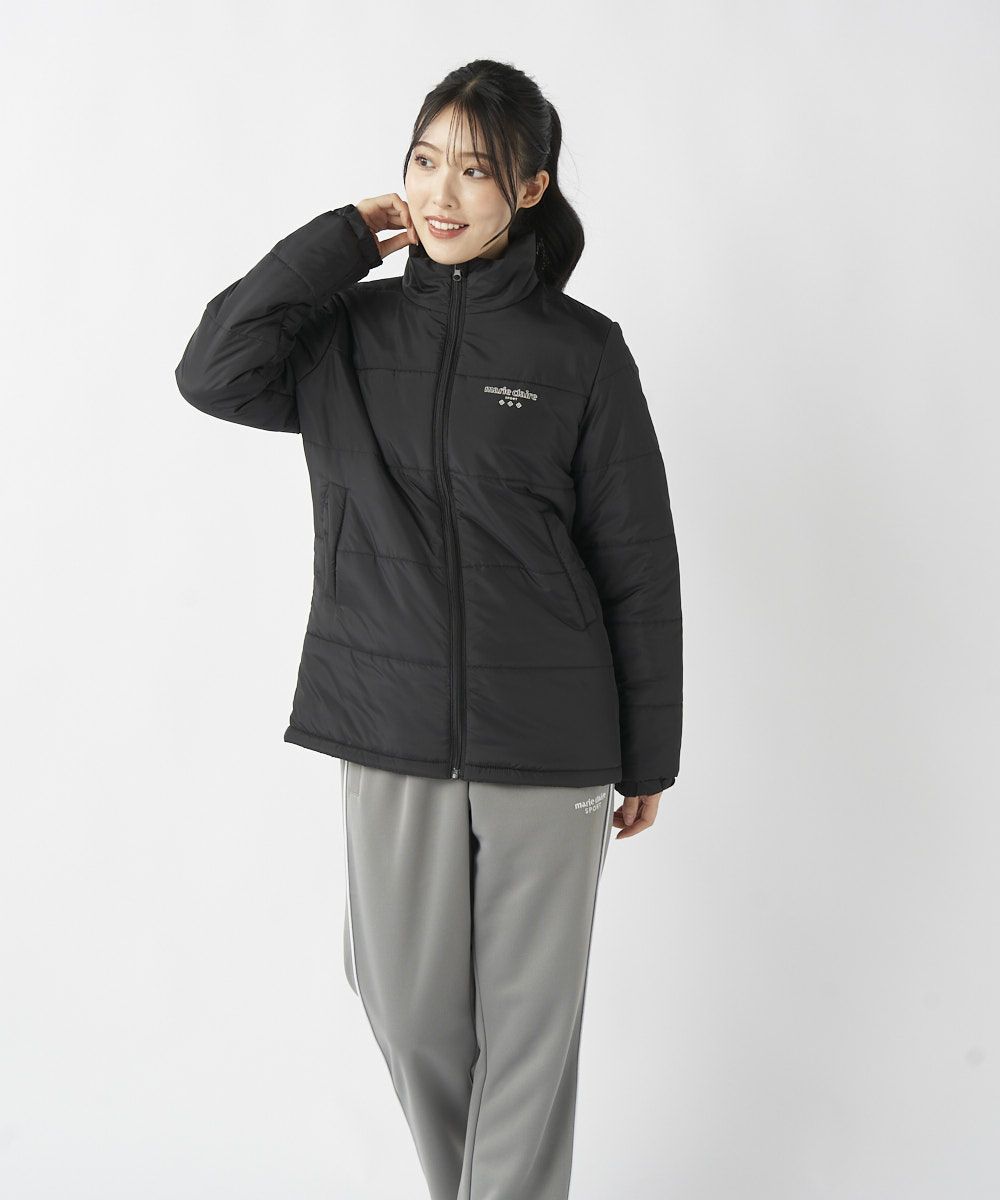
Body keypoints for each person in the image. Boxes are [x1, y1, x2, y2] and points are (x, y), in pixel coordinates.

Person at [175, 57, 682, 1200]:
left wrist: (648, 754)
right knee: (405, 1011)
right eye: (423, 160)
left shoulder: (581, 355)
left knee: (529, 1033)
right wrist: (342, 239)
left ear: (531, 190)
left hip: (550, 736)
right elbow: (210, 372)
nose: (442, 191)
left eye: (475, 170)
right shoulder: (341, 338)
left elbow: (637, 564)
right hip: (385, 717)